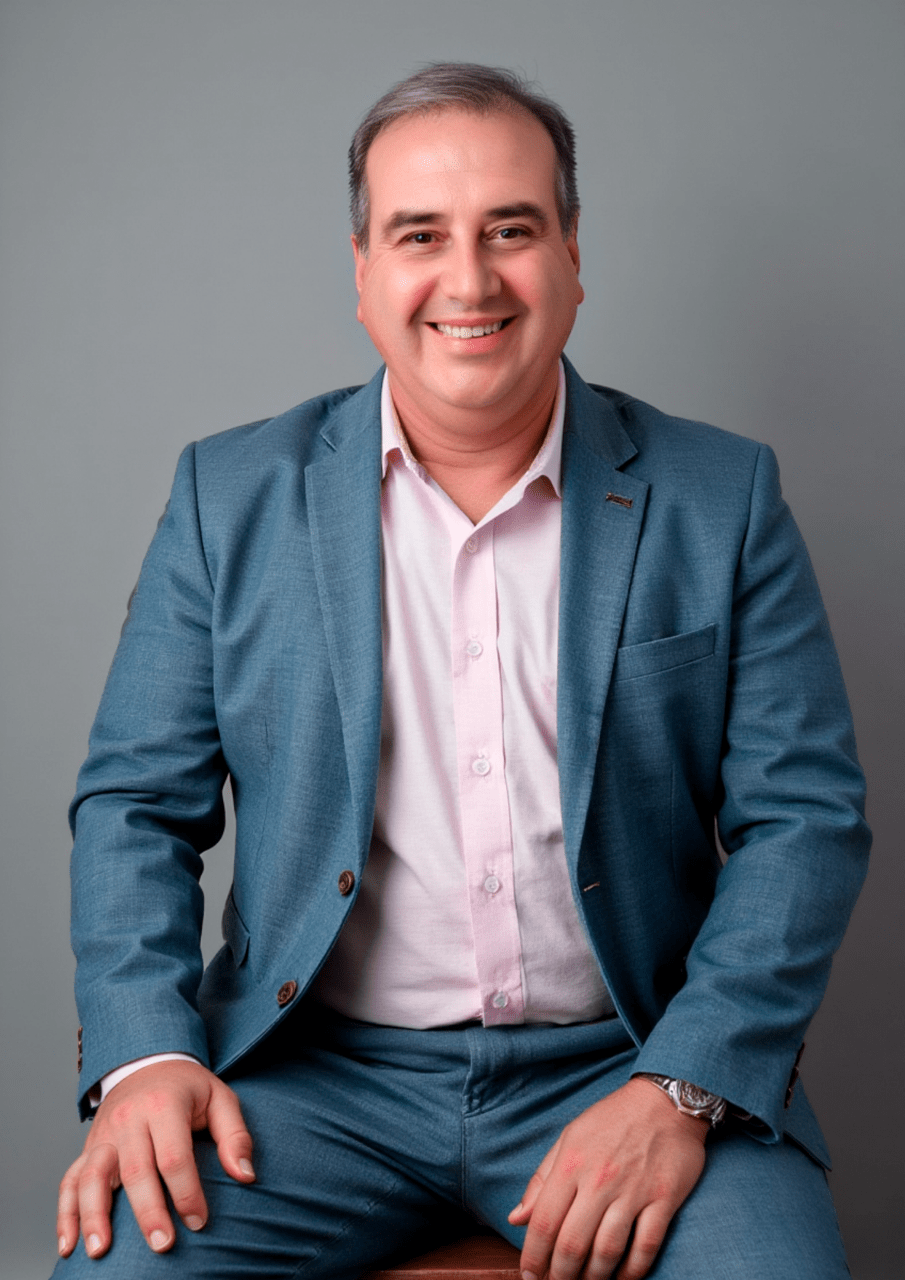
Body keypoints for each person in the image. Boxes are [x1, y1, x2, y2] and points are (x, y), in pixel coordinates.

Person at [54, 64, 869, 1280]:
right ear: (363, 271)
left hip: (628, 1057)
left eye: (511, 230)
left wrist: (680, 1084)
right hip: (313, 1079)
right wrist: (146, 1053)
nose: (470, 279)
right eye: (420, 234)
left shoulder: (720, 497)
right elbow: (133, 804)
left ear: (572, 254)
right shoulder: (229, 498)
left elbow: (802, 820)